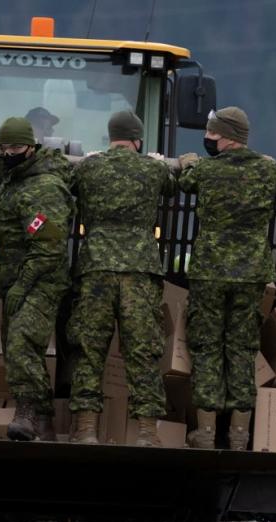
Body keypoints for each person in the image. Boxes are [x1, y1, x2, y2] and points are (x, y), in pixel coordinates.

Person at [176, 107, 276, 451]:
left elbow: (184, 180)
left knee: (207, 347)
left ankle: (206, 433)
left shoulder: (206, 172)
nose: (207, 139)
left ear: (227, 136)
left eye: (211, 134)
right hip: (251, 273)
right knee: (242, 349)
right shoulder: (267, 170)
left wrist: (189, 161)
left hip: (210, 272)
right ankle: (240, 434)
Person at [67, 110, 175, 446]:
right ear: (137, 139)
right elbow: (172, 187)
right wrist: (156, 161)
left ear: (110, 137)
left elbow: (68, 183)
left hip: (96, 266)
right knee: (142, 350)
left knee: (89, 349)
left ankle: (86, 429)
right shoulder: (153, 168)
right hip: (139, 270)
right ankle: (146, 432)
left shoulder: (89, 168)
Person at [0, 118, 74, 441]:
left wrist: (23, 287)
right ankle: (44, 422)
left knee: (22, 343)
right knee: (17, 350)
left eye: (15, 147)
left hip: (41, 280)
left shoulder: (44, 189)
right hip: (16, 278)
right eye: (4, 147)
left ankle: (29, 412)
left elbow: (49, 250)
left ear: (31, 149)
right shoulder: (14, 172)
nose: (8, 153)